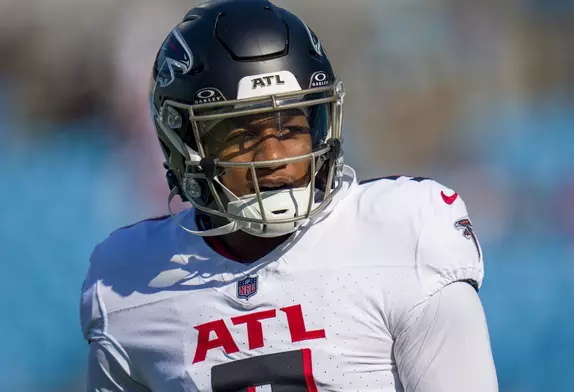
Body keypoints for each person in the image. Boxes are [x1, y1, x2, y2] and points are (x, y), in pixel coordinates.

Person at [80, 1, 498, 391]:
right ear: (185, 146)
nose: (275, 157)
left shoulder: (404, 235)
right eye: (242, 135)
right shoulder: (127, 286)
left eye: (290, 129)